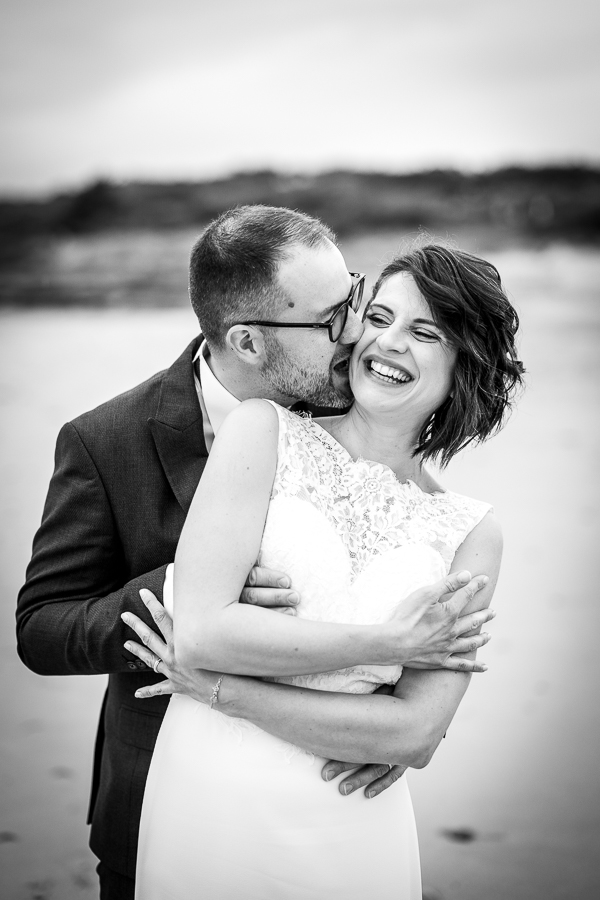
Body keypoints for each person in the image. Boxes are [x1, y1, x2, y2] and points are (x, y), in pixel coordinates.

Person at [15, 206, 495, 900]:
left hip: (336, 801)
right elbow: (41, 628)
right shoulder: (106, 440)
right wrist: (186, 590)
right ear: (246, 340)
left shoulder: (354, 403)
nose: (358, 332)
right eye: (334, 319)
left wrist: (392, 730)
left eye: (354, 297)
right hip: (163, 793)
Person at [125, 241, 524, 899]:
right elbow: (201, 634)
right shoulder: (262, 434)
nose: (389, 342)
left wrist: (227, 692)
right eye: (379, 317)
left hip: (351, 825)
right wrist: (388, 646)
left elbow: (416, 732)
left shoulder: (473, 533)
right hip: (212, 799)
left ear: (464, 365)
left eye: (424, 332)